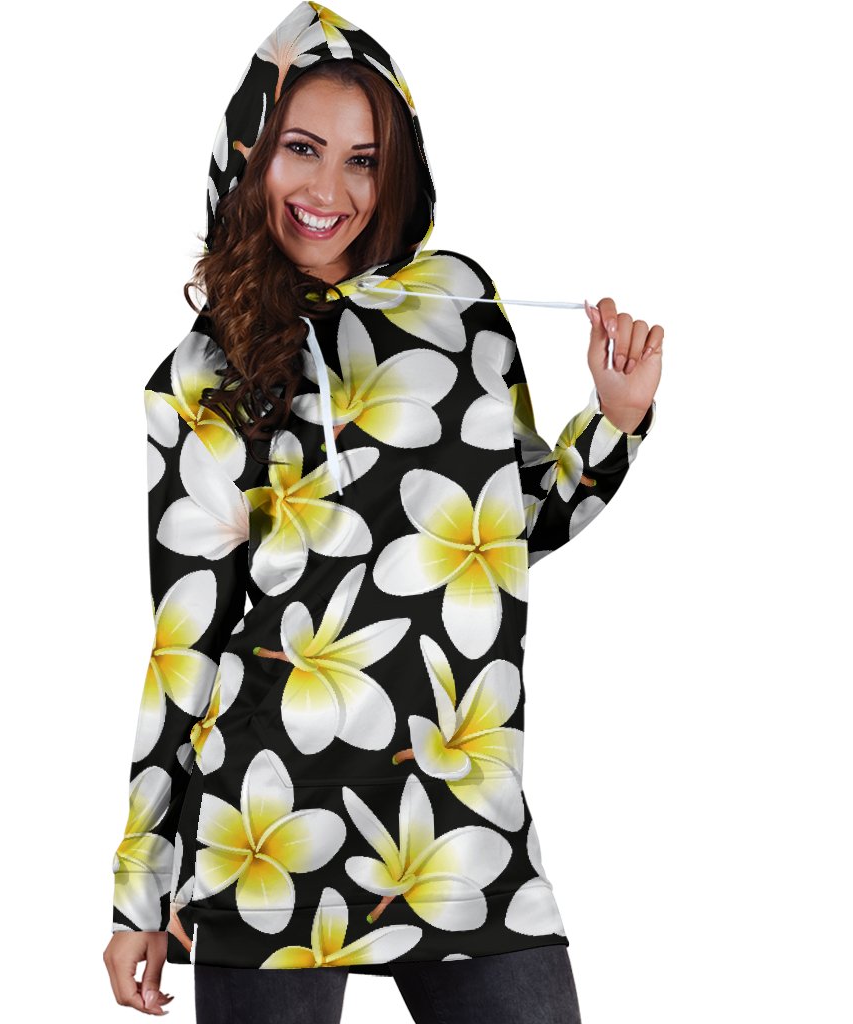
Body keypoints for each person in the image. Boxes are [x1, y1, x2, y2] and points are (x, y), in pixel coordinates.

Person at [103, 3, 662, 1021]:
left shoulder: (457, 305)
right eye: (300, 149)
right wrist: (140, 888)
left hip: (461, 826)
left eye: (362, 160)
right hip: (266, 835)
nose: (330, 192)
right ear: (249, 154)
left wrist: (614, 421)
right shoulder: (198, 376)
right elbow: (184, 648)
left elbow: (509, 530)